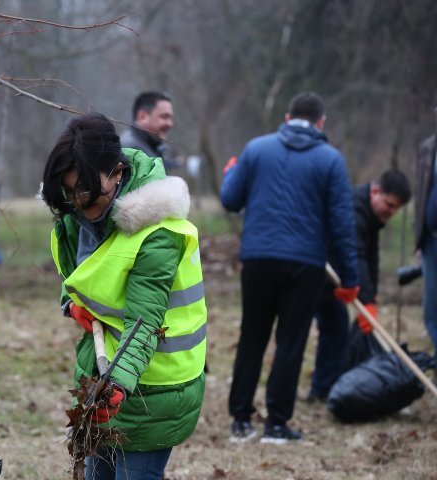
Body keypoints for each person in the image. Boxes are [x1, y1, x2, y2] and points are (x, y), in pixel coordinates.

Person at [42, 112, 207, 480]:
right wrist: (72, 304)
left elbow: (145, 320)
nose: (78, 202)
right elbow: (79, 274)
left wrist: (115, 386)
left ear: (117, 173)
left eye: (85, 190)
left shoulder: (158, 231)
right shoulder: (74, 216)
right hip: (102, 373)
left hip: (154, 387)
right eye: (68, 192)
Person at [220, 92, 359, 444]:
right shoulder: (331, 160)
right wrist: (351, 279)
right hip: (304, 264)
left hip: (258, 259)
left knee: (252, 337)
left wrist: (232, 172)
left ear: (286, 118)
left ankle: (240, 421)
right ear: (321, 122)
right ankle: (277, 426)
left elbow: (230, 199)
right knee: (291, 343)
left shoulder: (255, 149)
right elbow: (342, 226)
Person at [309, 170, 412, 401]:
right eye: (389, 204)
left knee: (336, 328)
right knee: (297, 331)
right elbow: (355, 253)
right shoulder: (354, 207)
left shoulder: (372, 215)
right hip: (314, 271)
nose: (392, 212)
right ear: (375, 191)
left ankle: (323, 389)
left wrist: (371, 297)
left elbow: (370, 256)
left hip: (333, 279)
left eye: (396, 208)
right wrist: (365, 298)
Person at [413, 102, 437, 354]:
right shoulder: (428, 149)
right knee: (432, 308)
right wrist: (418, 238)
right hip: (431, 240)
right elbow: (421, 194)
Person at [119, 91, 182, 172]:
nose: (170, 124)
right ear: (142, 117)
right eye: (164, 117)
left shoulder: (151, 146)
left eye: (170, 118)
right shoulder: (130, 151)